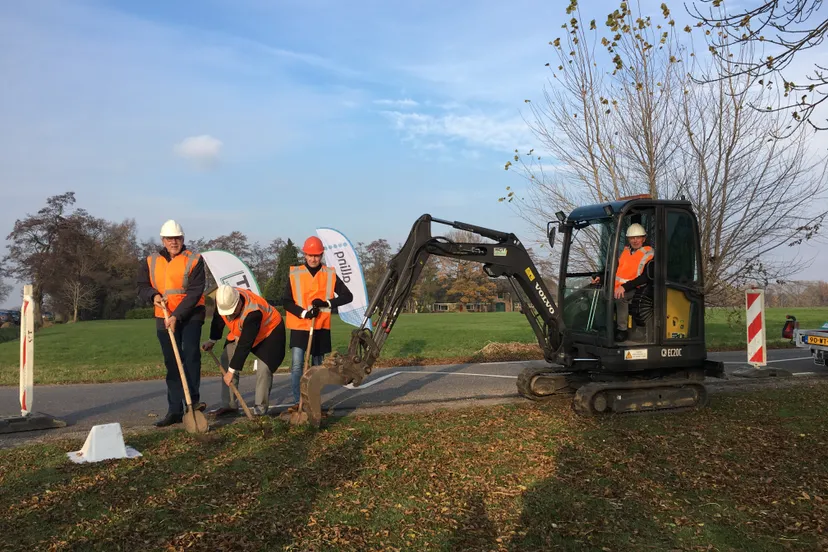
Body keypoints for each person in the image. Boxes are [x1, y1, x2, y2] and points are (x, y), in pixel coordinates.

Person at [136, 219, 206, 427]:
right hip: (163, 316)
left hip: (191, 315)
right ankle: (174, 409)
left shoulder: (194, 259)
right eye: (169, 239)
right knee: (172, 362)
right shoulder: (151, 261)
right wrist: (153, 296)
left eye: (177, 238)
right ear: (163, 240)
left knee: (191, 356)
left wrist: (178, 315)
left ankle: (192, 403)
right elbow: (141, 285)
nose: (173, 242)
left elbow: (195, 291)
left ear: (182, 239)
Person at [283, 236, 353, 412]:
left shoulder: (329, 274)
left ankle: (313, 401)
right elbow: (286, 301)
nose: (313, 259)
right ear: (304, 254)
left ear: (321, 255)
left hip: (320, 327)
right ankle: (298, 401)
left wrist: (327, 303)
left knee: (316, 368)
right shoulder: (295, 274)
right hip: (300, 326)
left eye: (317, 255)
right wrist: (304, 313)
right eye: (310, 255)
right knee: (298, 365)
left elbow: (347, 296)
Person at [202, 285, 286, 416]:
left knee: (264, 369)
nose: (229, 315)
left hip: (269, 333)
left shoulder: (253, 312)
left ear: (238, 302)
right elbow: (218, 320)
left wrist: (231, 371)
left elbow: (244, 345)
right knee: (226, 357)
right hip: (242, 331)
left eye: (232, 312)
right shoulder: (223, 300)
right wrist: (212, 340)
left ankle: (260, 409)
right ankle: (229, 404)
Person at [593, 222, 653, 342]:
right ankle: (603, 326)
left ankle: (622, 330)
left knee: (620, 297)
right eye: (632, 238)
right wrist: (602, 277)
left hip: (638, 288)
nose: (635, 240)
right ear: (628, 239)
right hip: (620, 286)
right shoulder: (625, 252)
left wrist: (625, 287)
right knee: (599, 293)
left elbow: (645, 277)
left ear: (644, 238)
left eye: (638, 237)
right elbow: (616, 270)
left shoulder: (649, 253)